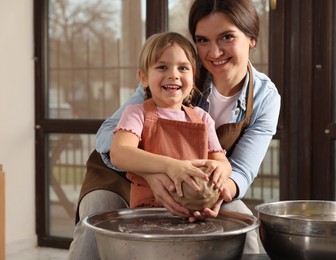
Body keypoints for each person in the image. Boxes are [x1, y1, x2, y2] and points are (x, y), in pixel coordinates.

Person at [68, 0, 280, 259]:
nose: (213, 53)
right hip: (122, 177)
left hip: (192, 187)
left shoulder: (264, 98)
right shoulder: (171, 68)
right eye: (202, 40)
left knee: (244, 226)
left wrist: (213, 193)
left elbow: (239, 170)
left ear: (251, 38)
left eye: (226, 37)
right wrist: (157, 172)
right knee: (98, 218)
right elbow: (109, 137)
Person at [109, 31, 231, 210]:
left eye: (183, 68)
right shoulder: (136, 113)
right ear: (143, 77)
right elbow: (119, 154)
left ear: (193, 77)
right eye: (162, 67)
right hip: (148, 215)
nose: (173, 74)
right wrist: (171, 166)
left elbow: (222, 162)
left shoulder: (203, 118)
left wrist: (220, 169)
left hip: (193, 215)